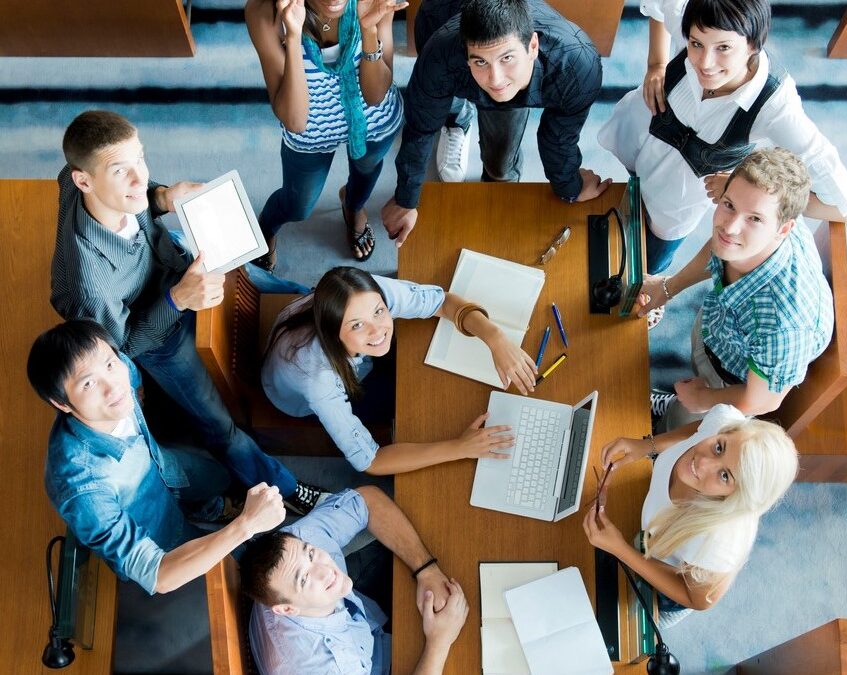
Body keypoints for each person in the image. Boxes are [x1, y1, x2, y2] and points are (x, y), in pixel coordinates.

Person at [51, 110, 322, 515]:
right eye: (121, 170)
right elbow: (124, 346)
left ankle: (323, 309)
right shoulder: (90, 283)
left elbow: (141, 191)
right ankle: (284, 486)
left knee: (263, 282)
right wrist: (179, 298)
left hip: (168, 261)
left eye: (139, 158)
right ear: (83, 181)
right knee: (218, 424)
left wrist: (161, 198)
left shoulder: (82, 179)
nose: (139, 177)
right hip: (154, 333)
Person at [597, 0, 847, 277]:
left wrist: (742, 191)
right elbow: (660, 6)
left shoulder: (776, 107)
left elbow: (846, 206)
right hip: (638, 142)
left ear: (752, 45)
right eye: (695, 44)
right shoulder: (694, 15)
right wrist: (657, 63)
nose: (705, 64)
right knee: (622, 203)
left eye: (723, 48)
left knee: (648, 260)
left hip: (675, 201)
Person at [27, 319, 287, 594]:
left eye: (110, 365)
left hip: (166, 467)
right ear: (61, 403)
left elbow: (131, 376)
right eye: (89, 384)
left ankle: (213, 508)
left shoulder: (120, 368)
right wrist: (245, 526)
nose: (114, 387)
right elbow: (158, 574)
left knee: (219, 477)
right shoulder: (82, 489)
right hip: (155, 526)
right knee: (233, 566)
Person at [380, 0, 607, 247]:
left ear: (532, 46)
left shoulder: (578, 66)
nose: (495, 79)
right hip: (440, 15)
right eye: (480, 61)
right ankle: (457, 121)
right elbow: (421, 126)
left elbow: (558, 137)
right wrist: (406, 199)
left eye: (507, 58)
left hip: (510, 71)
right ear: (466, 55)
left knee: (501, 162)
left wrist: (569, 186)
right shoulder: (440, 54)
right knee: (443, 102)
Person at [262, 266, 530, 472]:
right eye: (357, 324)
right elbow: (371, 461)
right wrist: (460, 447)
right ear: (333, 333)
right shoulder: (318, 381)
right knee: (417, 403)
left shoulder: (366, 292)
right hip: (299, 396)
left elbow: (443, 302)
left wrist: (496, 338)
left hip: (351, 356)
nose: (379, 330)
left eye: (379, 312)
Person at [638, 148, 834, 430]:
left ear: (783, 229)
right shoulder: (766, 209)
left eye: (753, 218)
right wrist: (668, 288)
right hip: (720, 328)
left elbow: (763, 400)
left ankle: (669, 421)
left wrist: (705, 398)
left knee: (678, 428)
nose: (729, 227)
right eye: (728, 204)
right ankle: (673, 404)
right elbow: (722, 248)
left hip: (734, 382)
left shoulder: (784, 325)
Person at [584, 404, 798, 626]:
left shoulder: (720, 543)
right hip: (650, 537)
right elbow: (703, 428)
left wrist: (621, 550)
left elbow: (697, 599)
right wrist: (647, 446)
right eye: (719, 448)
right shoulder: (724, 423)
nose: (702, 463)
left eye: (725, 476)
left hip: (673, 587)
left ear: (736, 497)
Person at [245, 0, 406, 269]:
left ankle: (352, 207)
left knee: (365, 174)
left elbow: (376, 95)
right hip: (310, 132)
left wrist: (368, 30)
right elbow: (295, 121)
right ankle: (266, 230)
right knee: (298, 204)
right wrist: (294, 36)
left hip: (372, 123)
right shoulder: (265, 13)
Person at [240, 486, 468, 674]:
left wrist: (425, 570)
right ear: (287, 609)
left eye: (311, 554)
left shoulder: (292, 547)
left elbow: (366, 501)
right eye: (304, 579)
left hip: (362, 620)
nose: (325, 570)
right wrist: (439, 641)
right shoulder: (329, 668)